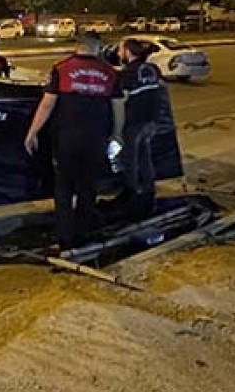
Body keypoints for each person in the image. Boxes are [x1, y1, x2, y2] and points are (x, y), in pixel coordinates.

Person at [24, 34, 125, 248]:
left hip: (66, 139)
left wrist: (32, 132)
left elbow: (47, 103)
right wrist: (117, 135)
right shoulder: (110, 73)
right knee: (88, 187)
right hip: (96, 139)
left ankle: (65, 235)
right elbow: (118, 107)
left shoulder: (62, 68)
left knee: (63, 187)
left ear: (78, 47)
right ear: (97, 48)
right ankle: (83, 231)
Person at [115, 38, 164, 217]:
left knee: (131, 160)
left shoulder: (128, 73)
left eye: (120, 50)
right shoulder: (152, 69)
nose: (118, 54)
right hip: (151, 121)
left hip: (134, 122)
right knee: (145, 157)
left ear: (128, 52)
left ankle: (132, 196)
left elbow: (122, 100)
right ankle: (149, 193)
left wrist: (117, 130)